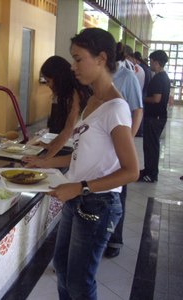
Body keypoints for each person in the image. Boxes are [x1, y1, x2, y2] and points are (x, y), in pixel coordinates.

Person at [23, 28, 139, 299]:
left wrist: (81, 187)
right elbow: (82, 154)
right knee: (63, 269)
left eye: (78, 59)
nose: (73, 67)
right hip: (79, 197)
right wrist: (46, 163)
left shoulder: (115, 108)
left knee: (79, 282)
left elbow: (131, 171)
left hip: (97, 203)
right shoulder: (93, 101)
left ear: (100, 59)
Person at [104, 45, 143, 258]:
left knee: (118, 193)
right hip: (103, 147)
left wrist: (126, 142)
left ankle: (115, 240)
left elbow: (137, 111)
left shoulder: (127, 77)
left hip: (119, 146)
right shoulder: (96, 80)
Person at [23, 56, 91, 164]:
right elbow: (65, 131)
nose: (48, 85)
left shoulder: (77, 93)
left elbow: (68, 130)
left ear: (59, 77)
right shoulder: (71, 93)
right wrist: (50, 145)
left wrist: (44, 160)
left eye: (48, 80)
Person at [138, 50, 170, 182]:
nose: (150, 63)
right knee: (150, 145)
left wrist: (142, 98)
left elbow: (156, 99)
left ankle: (151, 174)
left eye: (151, 61)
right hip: (157, 117)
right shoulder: (162, 77)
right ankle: (148, 170)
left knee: (151, 146)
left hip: (154, 117)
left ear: (157, 62)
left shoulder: (158, 78)